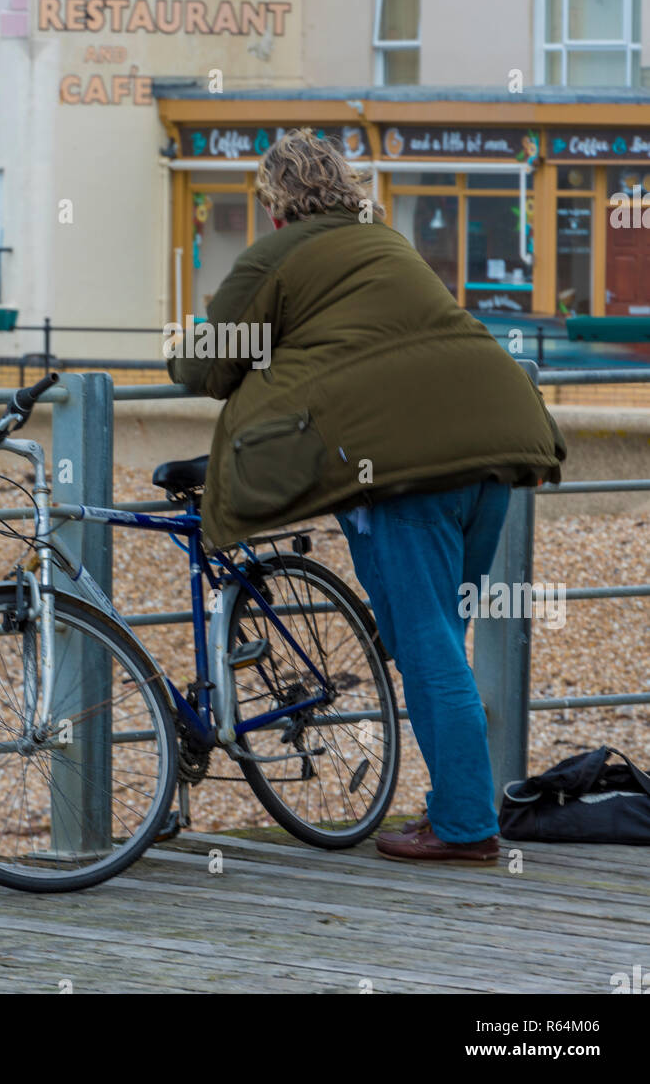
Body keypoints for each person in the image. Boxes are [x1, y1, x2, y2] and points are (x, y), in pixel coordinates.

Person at [166, 128, 565, 864]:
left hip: (406, 468)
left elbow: (203, 370)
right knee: (439, 634)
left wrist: (184, 349)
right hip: (497, 444)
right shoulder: (384, 244)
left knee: (426, 646)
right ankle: (460, 805)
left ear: (274, 204)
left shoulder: (273, 256)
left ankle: (463, 825)